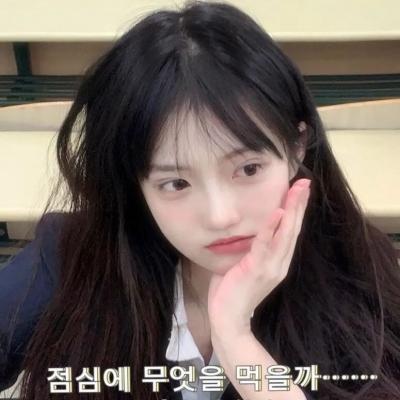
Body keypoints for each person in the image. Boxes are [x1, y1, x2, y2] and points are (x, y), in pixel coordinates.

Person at [1, 1, 399, 399]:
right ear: (134, 184)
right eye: (176, 183)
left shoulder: (357, 271)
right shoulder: (72, 259)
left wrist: (236, 338)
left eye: (248, 169)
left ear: (297, 147)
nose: (220, 216)